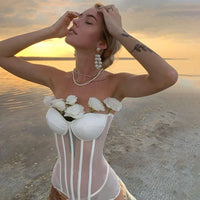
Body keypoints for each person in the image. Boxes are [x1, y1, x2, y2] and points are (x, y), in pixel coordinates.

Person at [0, 2, 178, 200]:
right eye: (80, 16)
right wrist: (50, 31)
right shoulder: (55, 77)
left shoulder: (116, 84)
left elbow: (167, 76)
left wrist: (118, 32)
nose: (76, 21)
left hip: (101, 192)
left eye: (88, 21)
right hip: (58, 188)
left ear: (101, 44)